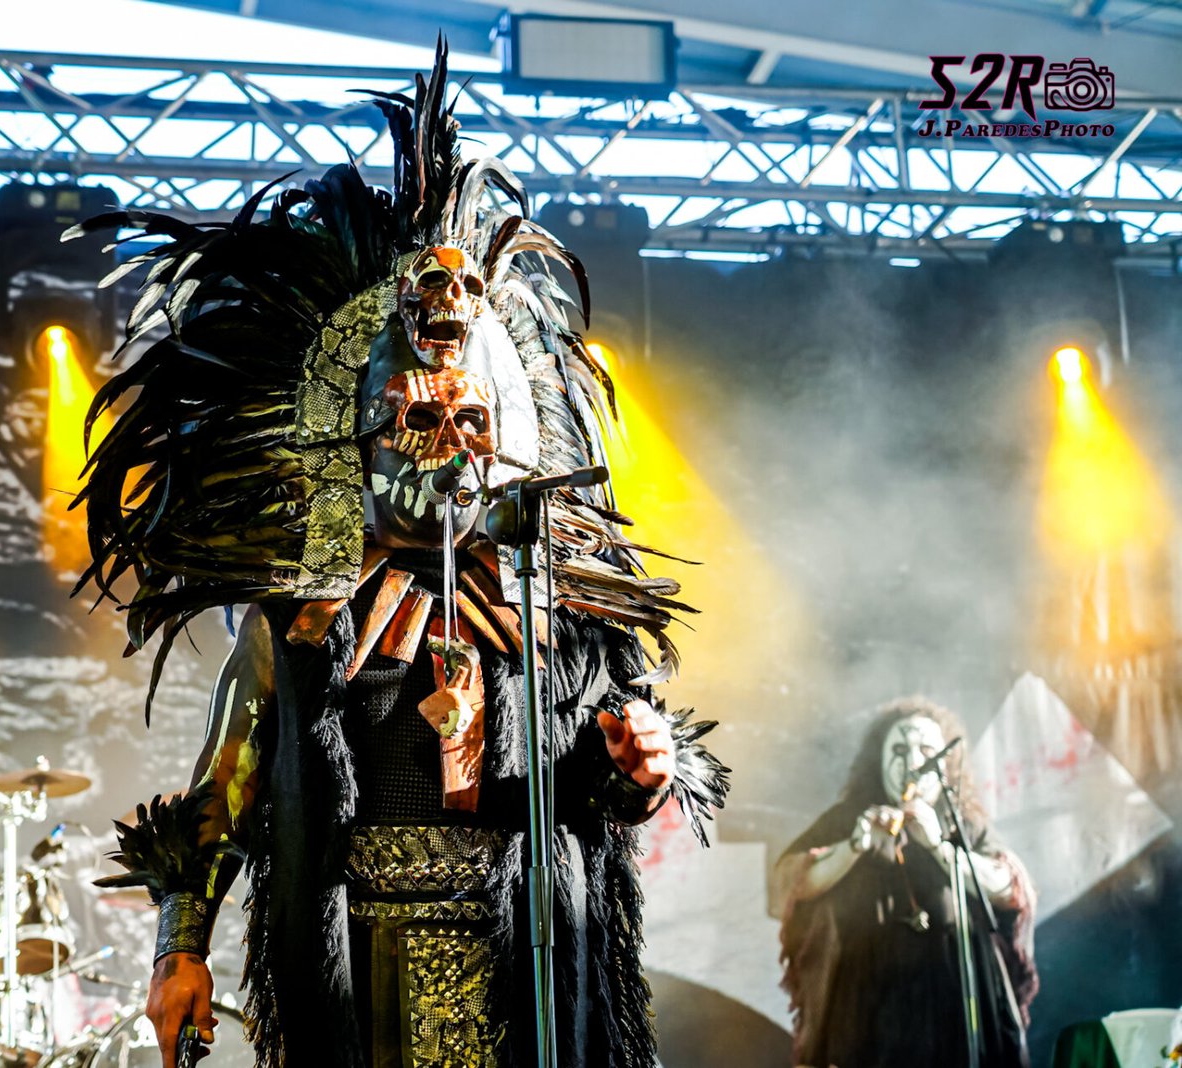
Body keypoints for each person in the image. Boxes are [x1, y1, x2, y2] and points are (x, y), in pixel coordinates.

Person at [73, 43, 729, 1068]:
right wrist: (179, 950)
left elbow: (616, 780)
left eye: (470, 418)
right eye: (415, 418)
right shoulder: (301, 621)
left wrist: (644, 764)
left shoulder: (566, 612)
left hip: (535, 978)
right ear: (356, 436)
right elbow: (219, 799)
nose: (447, 445)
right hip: (360, 978)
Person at [774, 698, 1039, 1068]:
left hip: (952, 1001)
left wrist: (939, 846)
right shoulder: (848, 819)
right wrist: (853, 847)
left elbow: (1010, 889)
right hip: (866, 1006)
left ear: (946, 764)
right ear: (878, 760)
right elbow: (789, 885)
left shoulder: (961, 822)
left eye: (926, 750)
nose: (912, 761)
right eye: (898, 750)